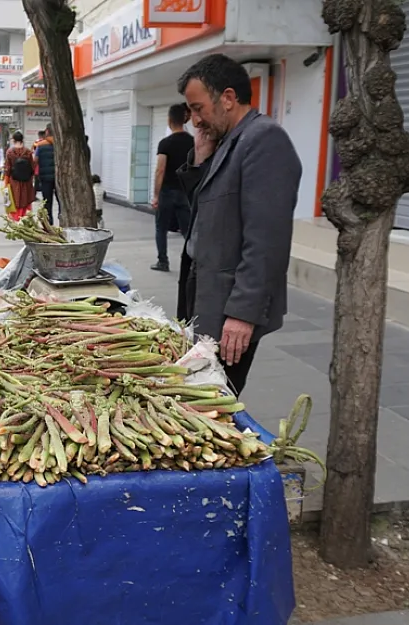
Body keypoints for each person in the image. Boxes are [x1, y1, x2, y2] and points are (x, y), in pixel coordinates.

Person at [175, 54, 301, 394]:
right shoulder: (228, 140)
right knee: (196, 388)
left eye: (199, 109)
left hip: (230, 305)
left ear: (228, 98)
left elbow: (267, 240)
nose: (195, 121)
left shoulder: (264, 140)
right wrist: (200, 161)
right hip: (203, 290)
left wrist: (243, 314)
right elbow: (208, 211)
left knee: (213, 396)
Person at [151, 103, 194, 273]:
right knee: (187, 230)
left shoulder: (165, 143)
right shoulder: (193, 142)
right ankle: (193, 262)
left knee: (161, 228)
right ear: (185, 120)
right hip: (185, 192)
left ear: (169, 120)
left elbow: (160, 170)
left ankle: (163, 261)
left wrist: (155, 195)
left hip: (167, 192)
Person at [4, 131, 36, 220]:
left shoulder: (10, 152)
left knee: (15, 200)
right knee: (26, 200)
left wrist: (6, 183)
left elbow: (7, 169)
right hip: (26, 181)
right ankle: (25, 218)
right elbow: (32, 167)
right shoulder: (28, 152)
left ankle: (16, 219)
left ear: (14, 140)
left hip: (14, 181)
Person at [34, 125, 58, 223]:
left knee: (47, 201)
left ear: (47, 131)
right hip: (58, 177)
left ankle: (49, 221)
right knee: (61, 200)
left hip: (45, 177)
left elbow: (35, 160)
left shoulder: (40, 145)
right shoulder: (59, 144)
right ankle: (62, 219)